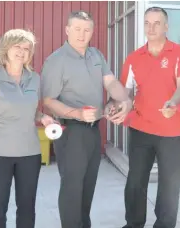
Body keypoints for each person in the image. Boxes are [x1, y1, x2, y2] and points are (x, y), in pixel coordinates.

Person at [41, 11, 132, 228]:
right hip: (71, 132)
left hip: (93, 131)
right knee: (72, 188)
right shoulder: (56, 61)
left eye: (87, 29)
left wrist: (126, 101)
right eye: (77, 29)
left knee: (88, 187)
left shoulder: (96, 55)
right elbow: (48, 101)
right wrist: (77, 113)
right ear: (67, 30)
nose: (82, 34)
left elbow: (110, 83)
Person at [116, 7, 180, 228]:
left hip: (173, 132)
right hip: (141, 129)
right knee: (135, 183)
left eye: (156, 23)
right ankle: (134, 223)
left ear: (166, 26)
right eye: (147, 23)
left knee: (170, 185)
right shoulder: (133, 58)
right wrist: (118, 106)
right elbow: (124, 92)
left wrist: (174, 102)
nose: (151, 27)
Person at [0, 29, 56, 228]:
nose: (22, 51)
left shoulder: (35, 79)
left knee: (27, 208)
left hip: (29, 154)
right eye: (17, 46)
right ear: (6, 49)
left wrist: (43, 117)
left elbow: (29, 110)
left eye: (26, 48)